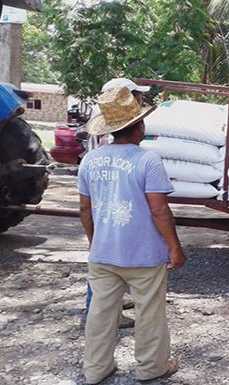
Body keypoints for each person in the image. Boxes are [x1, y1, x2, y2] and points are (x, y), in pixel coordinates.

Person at [79, 87, 186, 385]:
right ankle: (151, 368)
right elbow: (160, 212)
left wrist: (94, 242)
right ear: (139, 126)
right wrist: (175, 248)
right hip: (144, 255)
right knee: (150, 312)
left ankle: (96, 369)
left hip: (103, 254)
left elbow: (85, 210)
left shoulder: (90, 160)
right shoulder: (147, 160)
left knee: (100, 314)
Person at [84, 78, 151, 329]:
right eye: (136, 95)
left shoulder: (105, 117)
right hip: (110, 193)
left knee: (107, 257)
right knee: (105, 259)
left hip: (104, 193)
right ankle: (98, 310)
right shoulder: (111, 124)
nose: (139, 100)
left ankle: (111, 303)